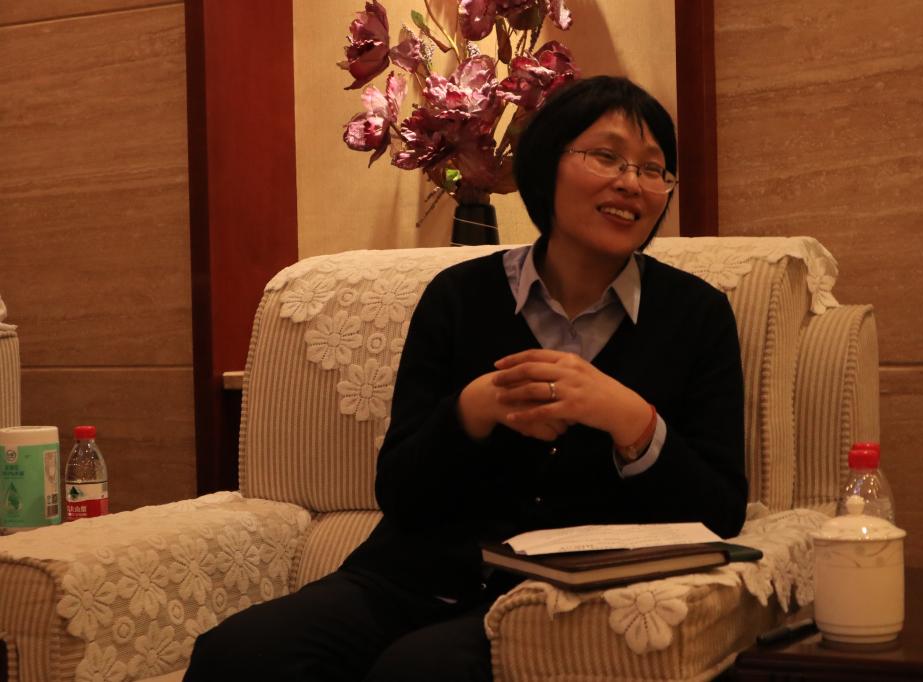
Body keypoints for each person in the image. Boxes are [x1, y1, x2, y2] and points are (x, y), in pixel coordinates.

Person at [185, 75, 746, 682]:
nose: (631, 182)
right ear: (545, 163)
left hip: (554, 604)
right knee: (236, 655)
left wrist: (631, 421)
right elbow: (399, 491)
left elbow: (720, 513)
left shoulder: (697, 315)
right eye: (606, 156)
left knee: (419, 672)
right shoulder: (458, 296)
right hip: (406, 579)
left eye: (653, 169)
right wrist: (471, 411)